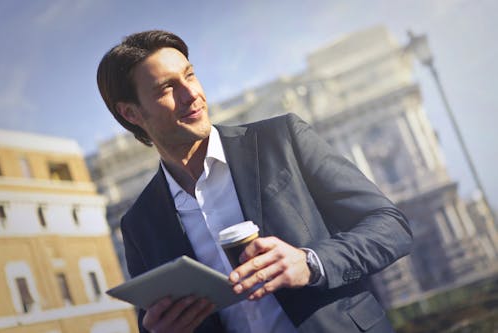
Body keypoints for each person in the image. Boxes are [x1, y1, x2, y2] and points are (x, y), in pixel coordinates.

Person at [97, 30, 412, 333]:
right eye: (167, 88)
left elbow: (391, 226)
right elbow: (151, 320)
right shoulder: (140, 224)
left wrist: (311, 263)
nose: (191, 94)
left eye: (190, 76)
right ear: (131, 113)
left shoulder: (282, 139)